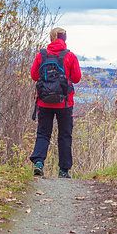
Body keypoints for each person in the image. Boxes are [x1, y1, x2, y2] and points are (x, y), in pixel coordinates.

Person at [28, 27, 82, 178]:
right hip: (64, 103)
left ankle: (38, 162)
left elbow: (34, 75)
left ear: (51, 37)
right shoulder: (70, 56)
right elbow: (77, 78)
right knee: (65, 135)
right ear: (64, 38)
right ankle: (63, 171)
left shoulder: (42, 55)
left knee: (43, 133)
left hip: (44, 102)